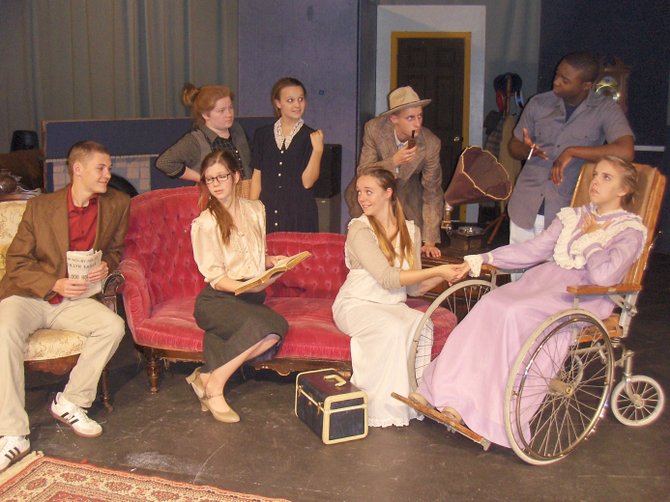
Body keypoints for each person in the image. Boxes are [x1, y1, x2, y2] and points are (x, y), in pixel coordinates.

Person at [412, 156, 646, 447]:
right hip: (543, 284)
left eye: (606, 177)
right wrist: (487, 258)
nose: (595, 181)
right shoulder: (574, 216)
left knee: (513, 313)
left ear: (623, 190)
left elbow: (604, 274)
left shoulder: (628, 231)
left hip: (581, 295)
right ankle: (445, 390)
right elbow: (534, 249)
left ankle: (488, 411)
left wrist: (593, 241)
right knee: (491, 304)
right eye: (596, 174)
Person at [0, 141, 130, 472]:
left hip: (75, 299)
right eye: (101, 168)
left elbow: (116, 249)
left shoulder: (116, 204)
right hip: (30, 294)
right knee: (3, 330)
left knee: (113, 326)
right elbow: (16, 263)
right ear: (78, 170)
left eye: (108, 167)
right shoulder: (41, 208)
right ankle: (13, 432)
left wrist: (107, 265)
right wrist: (54, 283)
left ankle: (71, 401)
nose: (108, 174)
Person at [332, 167, 466, 427]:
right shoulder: (359, 229)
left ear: (388, 193)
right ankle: (377, 408)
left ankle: (410, 401)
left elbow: (413, 289)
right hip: (357, 304)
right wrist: (438, 268)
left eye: (369, 191)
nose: (362, 198)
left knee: (420, 324)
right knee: (393, 327)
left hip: (391, 304)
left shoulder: (410, 231)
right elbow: (387, 278)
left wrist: (446, 275)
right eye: (359, 192)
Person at [188, 149, 288, 423]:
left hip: (250, 298)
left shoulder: (256, 210)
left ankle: (207, 376)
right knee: (263, 327)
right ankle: (215, 387)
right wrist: (249, 288)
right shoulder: (205, 223)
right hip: (218, 299)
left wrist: (270, 261)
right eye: (210, 179)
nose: (217, 183)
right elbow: (217, 278)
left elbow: (251, 253)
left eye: (222, 176)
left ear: (235, 177)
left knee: (276, 330)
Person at [507, 51, 634, 246]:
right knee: (517, 271)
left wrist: (573, 151)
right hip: (525, 205)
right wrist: (528, 150)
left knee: (555, 273)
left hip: (566, 210)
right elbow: (514, 146)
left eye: (565, 80)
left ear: (586, 85)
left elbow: (626, 151)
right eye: (557, 74)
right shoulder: (538, 103)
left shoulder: (605, 109)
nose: (556, 81)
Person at [347, 86, 444, 258]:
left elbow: (432, 191)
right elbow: (363, 170)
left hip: (407, 194)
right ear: (394, 118)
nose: (418, 123)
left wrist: (430, 240)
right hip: (369, 192)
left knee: (407, 249)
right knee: (369, 247)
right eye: (410, 118)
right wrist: (393, 161)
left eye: (420, 116)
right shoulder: (374, 129)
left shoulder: (430, 143)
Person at [249, 77, 324, 233]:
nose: (297, 105)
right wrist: (251, 211)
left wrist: (318, 151)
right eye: (290, 100)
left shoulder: (311, 136)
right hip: (267, 213)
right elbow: (257, 177)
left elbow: (308, 182)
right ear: (278, 103)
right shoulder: (262, 135)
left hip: (299, 215)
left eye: (300, 99)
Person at [156, 83, 252, 184]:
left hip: (245, 194)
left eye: (230, 108)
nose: (229, 114)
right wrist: (203, 178)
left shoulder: (237, 129)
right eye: (221, 110)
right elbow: (164, 162)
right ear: (206, 115)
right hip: (214, 197)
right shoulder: (194, 140)